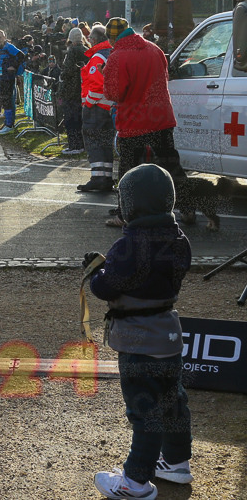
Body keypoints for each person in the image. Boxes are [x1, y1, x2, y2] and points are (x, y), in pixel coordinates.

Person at [86, 163, 194, 500]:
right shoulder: (180, 241)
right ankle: (176, 463)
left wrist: (95, 271)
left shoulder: (128, 245)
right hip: (169, 335)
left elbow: (106, 288)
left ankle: (135, 482)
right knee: (172, 402)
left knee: (145, 412)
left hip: (137, 340)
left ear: (129, 204)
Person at [102, 17, 187, 227]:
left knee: (129, 169)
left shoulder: (117, 56)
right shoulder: (154, 49)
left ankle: (124, 214)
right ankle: (188, 208)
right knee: (171, 165)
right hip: (161, 118)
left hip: (134, 121)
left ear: (112, 38)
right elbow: (164, 77)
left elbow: (114, 93)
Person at [78, 24, 116, 192]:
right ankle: (107, 177)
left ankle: (98, 177)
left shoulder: (97, 57)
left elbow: (96, 84)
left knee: (94, 141)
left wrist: (88, 102)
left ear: (93, 40)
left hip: (97, 107)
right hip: (109, 106)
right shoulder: (111, 53)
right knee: (106, 142)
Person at [59, 27, 88, 156]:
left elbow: (68, 71)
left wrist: (63, 75)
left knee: (71, 119)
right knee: (80, 118)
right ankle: (81, 144)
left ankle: (74, 145)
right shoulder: (87, 51)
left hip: (71, 89)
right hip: (83, 89)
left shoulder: (72, 52)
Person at [0, 30, 25, 134]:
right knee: (5, 101)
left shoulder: (9, 47)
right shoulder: (0, 49)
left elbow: (21, 56)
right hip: (2, 78)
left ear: (5, 37)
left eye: (0, 37)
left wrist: (14, 67)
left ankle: (9, 125)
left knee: (8, 101)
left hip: (9, 78)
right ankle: (7, 123)